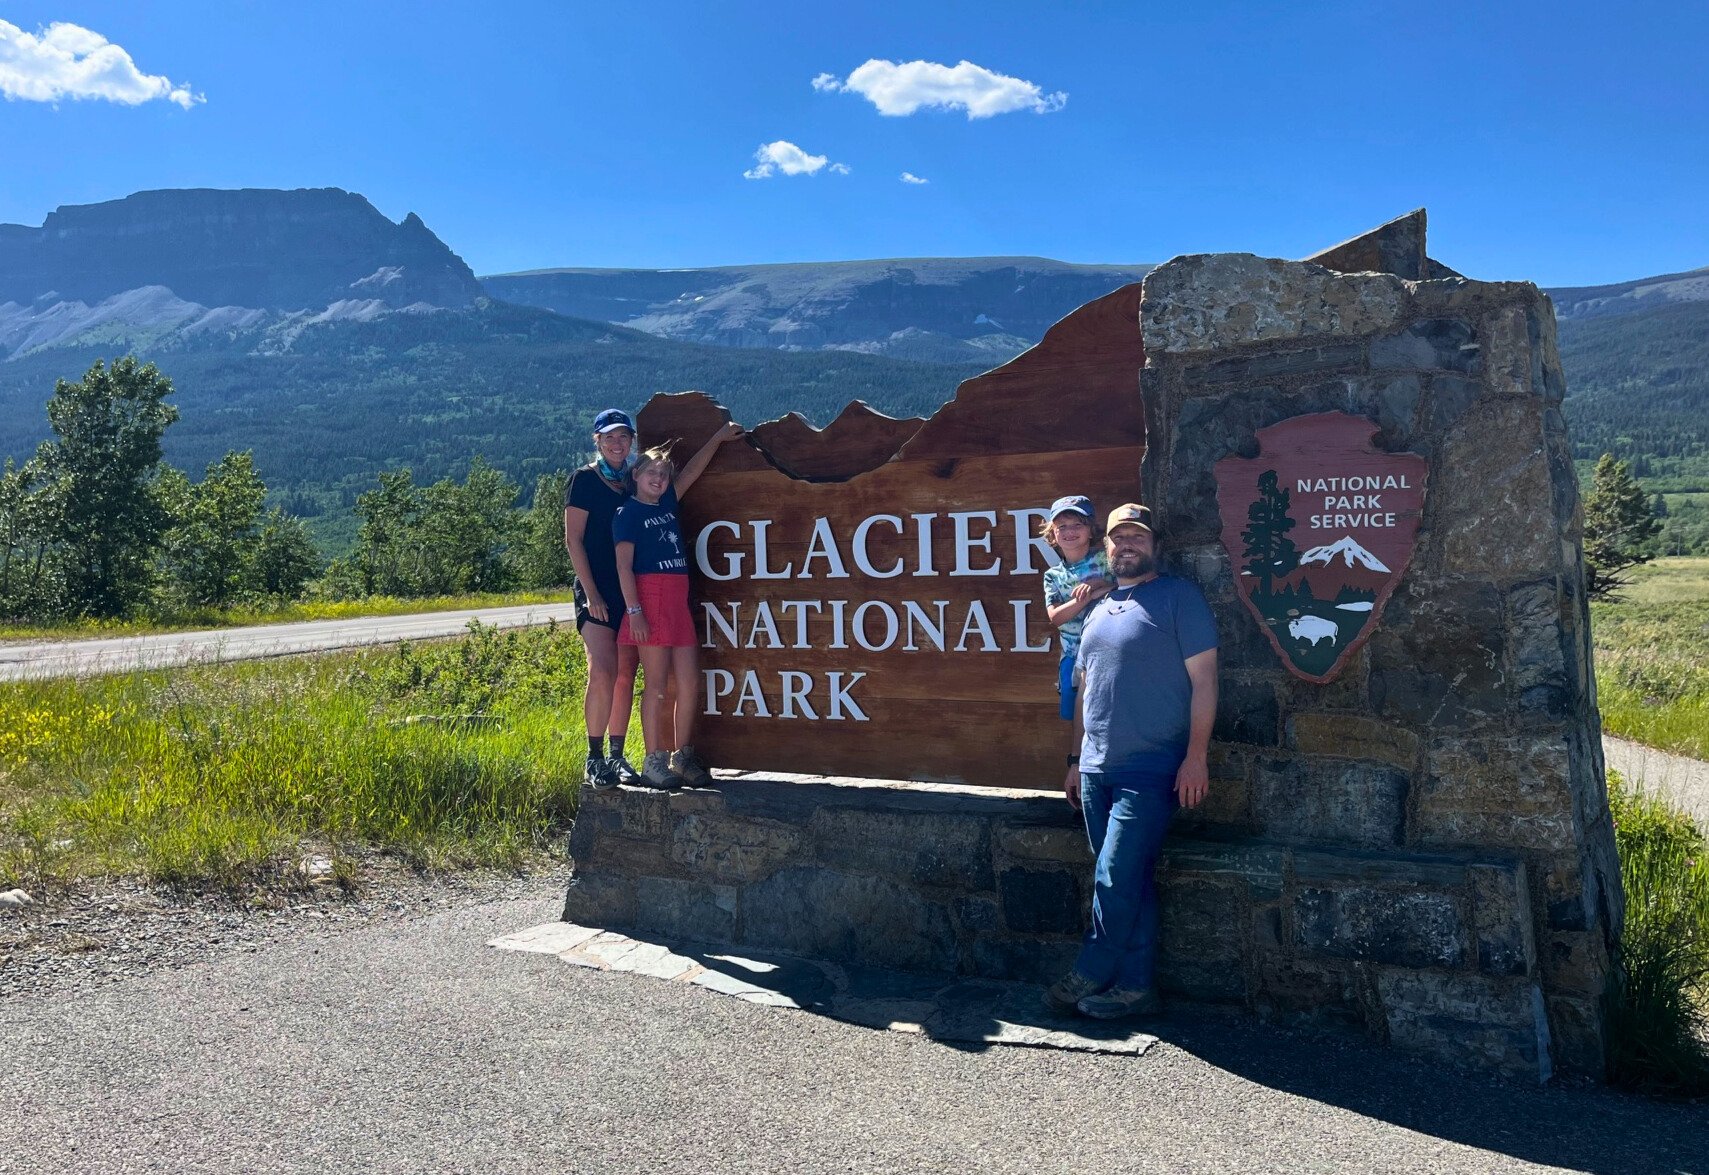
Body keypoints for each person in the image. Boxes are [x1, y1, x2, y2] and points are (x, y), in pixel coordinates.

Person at [1047, 503, 1219, 1020]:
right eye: (1119, 538)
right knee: (1129, 875)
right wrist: (1076, 760)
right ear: (1106, 547)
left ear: (1154, 546)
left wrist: (1196, 757)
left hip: (1152, 766)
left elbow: (1205, 681)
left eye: (1137, 538)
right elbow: (1082, 692)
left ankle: (1093, 967)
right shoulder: (1095, 609)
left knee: (1115, 873)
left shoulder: (1177, 598)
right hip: (1097, 768)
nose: (1127, 545)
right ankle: (1137, 987)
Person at [614, 423, 744, 789]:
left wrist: (716, 438)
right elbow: (623, 566)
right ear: (635, 475)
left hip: (677, 602)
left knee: (689, 682)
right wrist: (635, 611)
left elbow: (690, 472)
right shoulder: (628, 514)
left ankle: (681, 756)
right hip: (649, 601)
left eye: (662, 474)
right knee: (655, 686)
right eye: (651, 472)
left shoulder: (668, 501)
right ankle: (653, 759)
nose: (658, 478)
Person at [563, 408, 645, 791]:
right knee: (603, 670)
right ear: (597, 440)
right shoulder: (584, 479)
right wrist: (591, 593)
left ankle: (617, 754)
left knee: (626, 675)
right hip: (595, 592)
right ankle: (593, 758)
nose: (617, 443)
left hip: (628, 589)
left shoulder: (633, 481)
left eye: (623, 437)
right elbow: (573, 540)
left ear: (631, 441)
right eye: (609, 436)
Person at [1040, 495, 1113, 721]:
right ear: (1053, 535)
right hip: (1073, 656)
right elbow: (1056, 616)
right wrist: (1084, 598)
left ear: (1091, 530)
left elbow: (1123, 586)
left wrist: (1099, 585)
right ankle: (1076, 756)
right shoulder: (1053, 576)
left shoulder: (1105, 560)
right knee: (1077, 716)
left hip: (1108, 653)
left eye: (1077, 525)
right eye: (1062, 527)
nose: (1070, 531)